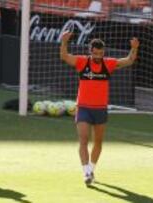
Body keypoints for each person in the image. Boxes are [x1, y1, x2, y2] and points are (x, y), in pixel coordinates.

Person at [60, 31, 139, 185]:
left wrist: (134, 48)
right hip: (83, 107)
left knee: (98, 142)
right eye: (96, 53)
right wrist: (64, 42)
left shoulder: (108, 64)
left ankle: (92, 168)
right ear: (90, 52)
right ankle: (87, 173)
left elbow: (129, 60)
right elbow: (65, 56)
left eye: (101, 53)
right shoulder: (82, 62)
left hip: (100, 109)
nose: (98, 56)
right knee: (83, 139)